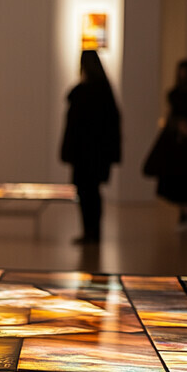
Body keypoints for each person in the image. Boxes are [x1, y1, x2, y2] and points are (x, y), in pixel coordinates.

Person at [59, 49, 121, 245]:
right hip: (96, 154)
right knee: (92, 193)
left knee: (87, 193)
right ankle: (93, 232)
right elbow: (113, 125)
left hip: (85, 154)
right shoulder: (104, 92)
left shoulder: (84, 92)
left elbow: (74, 126)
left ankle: (90, 232)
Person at [143, 58, 187, 230]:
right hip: (177, 142)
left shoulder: (176, 95)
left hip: (183, 143)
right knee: (179, 178)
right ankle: (184, 212)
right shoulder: (174, 94)